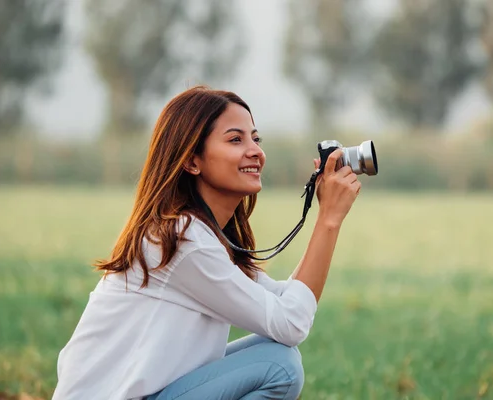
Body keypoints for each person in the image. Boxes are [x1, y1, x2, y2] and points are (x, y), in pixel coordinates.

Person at [52, 86, 362, 400]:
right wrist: (328, 220)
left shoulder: (204, 235)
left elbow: (286, 305)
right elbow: (291, 322)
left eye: (255, 138)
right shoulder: (182, 239)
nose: (255, 150)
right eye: (235, 139)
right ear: (191, 161)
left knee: (276, 352)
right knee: (279, 366)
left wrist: (328, 217)